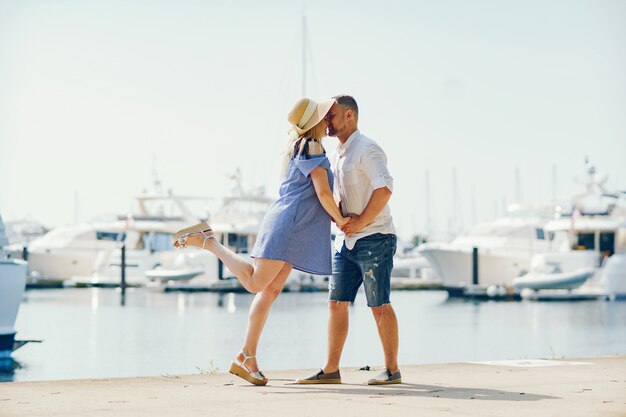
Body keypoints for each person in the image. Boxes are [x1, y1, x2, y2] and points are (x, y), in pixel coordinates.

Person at [172, 97, 350, 386]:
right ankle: (209, 241)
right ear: (314, 122)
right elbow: (323, 193)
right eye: (322, 116)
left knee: (270, 290)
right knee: (257, 283)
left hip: (294, 226)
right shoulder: (312, 145)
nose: (327, 119)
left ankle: (247, 358)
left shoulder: (301, 145)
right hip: (289, 225)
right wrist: (341, 220)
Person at [296, 95, 401, 385]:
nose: (326, 121)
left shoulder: (368, 148)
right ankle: (331, 370)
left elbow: (385, 188)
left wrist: (361, 222)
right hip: (346, 242)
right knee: (336, 302)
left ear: (349, 117)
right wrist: (339, 217)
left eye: (331, 116)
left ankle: (392, 370)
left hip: (376, 237)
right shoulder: (336, 154)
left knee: (379, 304)